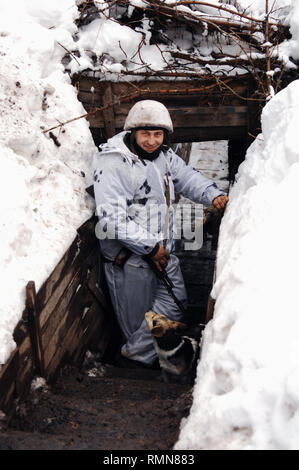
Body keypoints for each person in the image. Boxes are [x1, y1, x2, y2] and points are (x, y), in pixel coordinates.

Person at [93, 100, 228, 368]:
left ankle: (144, 353)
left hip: (162, 250)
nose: (152, 141)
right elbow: (111, 218)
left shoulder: (163, 157)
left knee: (176, 303)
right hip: (128, 260)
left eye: (158, 134)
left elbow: (188, 178)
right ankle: (143, 362)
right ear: (133, 132)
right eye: (146, 134)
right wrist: (150, 248)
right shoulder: (113, 163)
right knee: (138, 322)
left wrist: (214, 195)